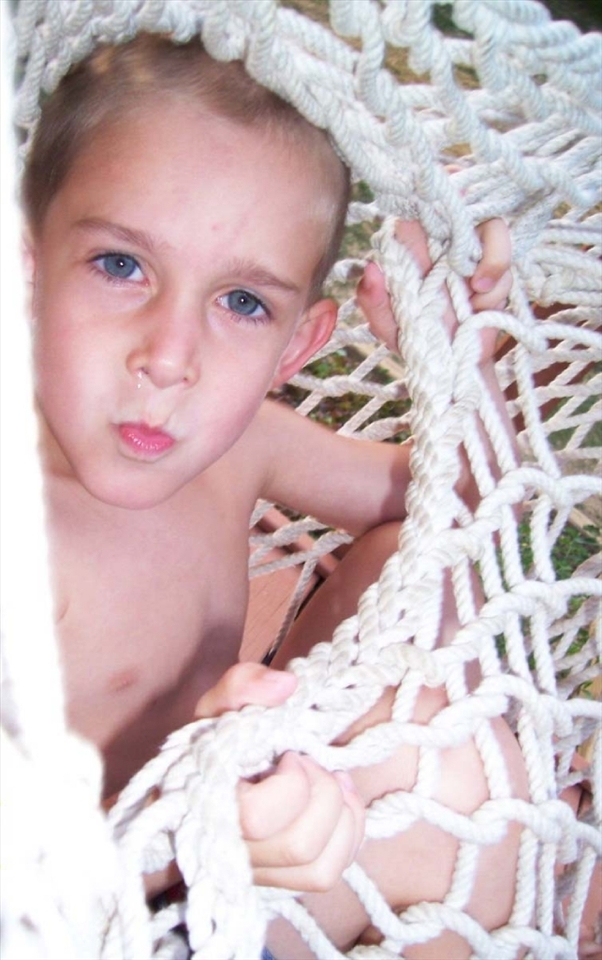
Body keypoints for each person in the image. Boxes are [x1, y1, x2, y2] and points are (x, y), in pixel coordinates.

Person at [22, 31, 567, 960]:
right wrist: (191, 825)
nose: (170, 358)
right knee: (448, 774)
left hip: (245, 821)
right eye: (122, 265)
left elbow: (467, 507)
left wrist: (458, 370)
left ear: (297, 346)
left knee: (414, 570)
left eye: (242, 303)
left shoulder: (238, 444)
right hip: (107, 913)